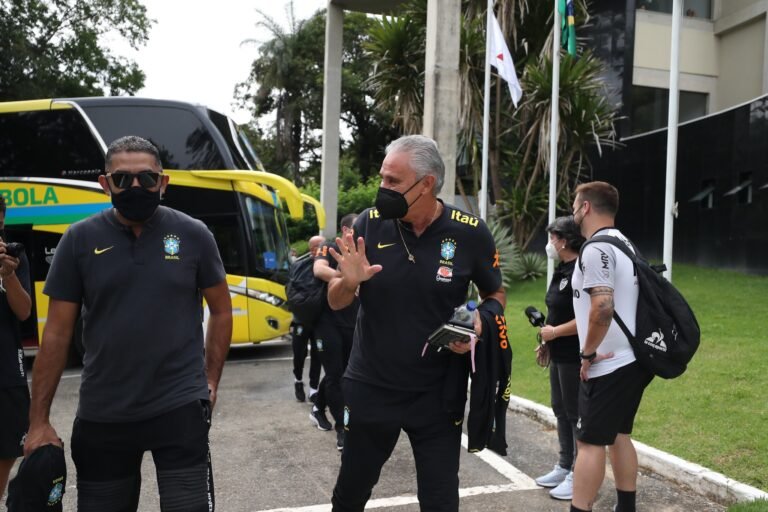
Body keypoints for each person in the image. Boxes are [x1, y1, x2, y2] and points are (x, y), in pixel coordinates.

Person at [24, 135, 233, 512]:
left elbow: (221, 310)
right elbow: (55, 334)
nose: (135, 186)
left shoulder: (194, 234)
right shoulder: (79, 239)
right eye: (122, 179)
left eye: (146, 178)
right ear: (105, 184)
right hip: (105, 413)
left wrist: (210, 381)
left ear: (162, 183)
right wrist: (38, 420)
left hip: (180, 406)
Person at [327, 135, 505, 511]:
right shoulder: (369, 225)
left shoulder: (469, 231)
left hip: (437, 394)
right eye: (382, 178)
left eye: (393, 181)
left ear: (427, 183)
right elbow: (336, 300)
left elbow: (495, 295)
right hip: (371, 386)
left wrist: (477, 323)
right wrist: (349, 281)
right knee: (351, 492)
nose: (382, 189)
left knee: (440, 500)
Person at [569, 181, 654, 512]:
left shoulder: (595, 248)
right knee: (619, 434)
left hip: (608, 362)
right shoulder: (623, 243)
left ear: (586, 207)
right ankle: (626, 507)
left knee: (589, 442)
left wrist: (588, 354)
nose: (573, 210)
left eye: (576, 204)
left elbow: (602, 307)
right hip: (632, 359)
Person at [534, 216, 585, 500]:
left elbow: (588, 317)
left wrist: (554, 333)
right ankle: (564, 464)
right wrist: (547, 341)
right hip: (558, 352)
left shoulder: (580, 269)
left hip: (575, 353)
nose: (550, 244)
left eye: (553, 238)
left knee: (575, 413)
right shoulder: (563, 269)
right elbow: (556, 311)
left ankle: (579, 472)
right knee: (560, 409)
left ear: (564, 240)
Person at [311, 213, 358, 451]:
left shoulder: (362, 252)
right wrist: (348, 278)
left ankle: (319, 406)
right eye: (355, 229)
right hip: (327, 322)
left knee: (341, 374)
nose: (359, 233)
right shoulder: (328, 247)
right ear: (344, 230)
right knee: (336, 375)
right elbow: (319, 270)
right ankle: (343, 429)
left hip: (353, 323)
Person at [0, 197, 32, 499]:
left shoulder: (14, 256)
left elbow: (24, 312)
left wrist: (8, 275)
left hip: (7, 374)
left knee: (7, 452)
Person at [291, 235, 325, 403]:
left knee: (318, 355)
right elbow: (292, 289)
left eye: (322, 245)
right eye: (318, 246)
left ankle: (313, 388)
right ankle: (298, 380)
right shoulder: (299, 265)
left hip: (320, 319)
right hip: (301, 319)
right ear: (311, 248)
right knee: (299, 353)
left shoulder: (329, 263)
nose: (321, 248)